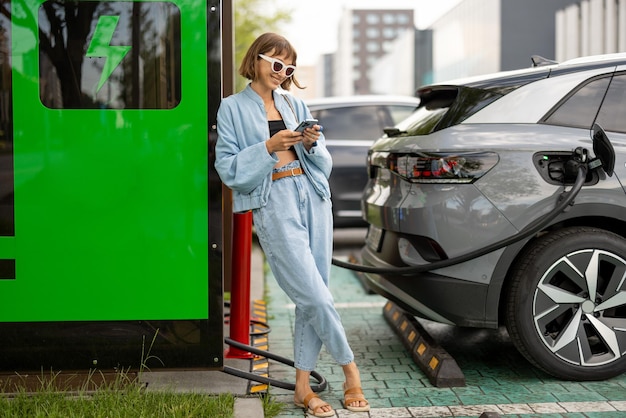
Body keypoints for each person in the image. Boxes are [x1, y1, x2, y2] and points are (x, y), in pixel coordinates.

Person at [214, 33, 370, 417]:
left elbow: (324, 163)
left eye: (289, 68)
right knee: (316, 297)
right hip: (274, 201)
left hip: (313, 196)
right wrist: (268, 147)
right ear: (257, 60)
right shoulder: (231, 108)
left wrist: (313, 144)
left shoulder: (295, 102)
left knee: (311, 297)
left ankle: (302, 389)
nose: (282, 72)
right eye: (276, 63)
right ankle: (350, 370)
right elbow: (229, 169)